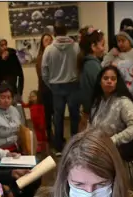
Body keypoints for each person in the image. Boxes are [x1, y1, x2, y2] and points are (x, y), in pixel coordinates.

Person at [42, 21, 80, 154]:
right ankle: (74, 146)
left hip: (56, 86)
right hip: (73, 85)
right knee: (74, 116)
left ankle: (58, 147)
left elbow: (44, 71)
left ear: (54, 33)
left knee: (58, 117)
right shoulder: (76, 47)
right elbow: (81, 65)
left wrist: (50, 85)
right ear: (66, 31)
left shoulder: (49, 49)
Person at [90, 66, 133, 161]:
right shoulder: (98, 101)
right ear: (100, 82)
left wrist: (113, 140)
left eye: (113, 79)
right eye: (106, 78)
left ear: (117, 82)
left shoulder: (123, 102)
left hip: (116, 148)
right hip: (98, 145)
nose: (109, 81)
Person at [102, 29, 133, 108]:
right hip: (119, 94)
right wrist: (111, 54)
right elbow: (104, 66)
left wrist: (120, 67)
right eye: (118, 41)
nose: (120, 43)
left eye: (123, 40)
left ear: (129, 41)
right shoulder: (115, 53)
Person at [78, 27, 106, 126]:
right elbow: (102, 89)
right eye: (102, 45)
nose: (104, 48)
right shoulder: (92, 65)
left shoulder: (89, 63)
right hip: (94, 113)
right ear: (93, 46)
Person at [0, 83, 23, 152]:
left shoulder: (13, 109)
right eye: (2, 97)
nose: (6, 101)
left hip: (16, 148)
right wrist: (10, 139)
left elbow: (21, 129)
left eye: (9, 98)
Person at [0, 37, 24, 102]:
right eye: (2, 45)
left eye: (5, 44)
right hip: (4, 88)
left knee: (17, 107)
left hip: (15, 88)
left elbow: (20, 73)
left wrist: (20, 90)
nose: (5, 47)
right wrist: (2, 61)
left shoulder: (12, 56)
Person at [36, 33, 54, 142]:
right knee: (47, 114)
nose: (49, 42)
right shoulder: (41, 57)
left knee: (56, 114)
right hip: (45, 90)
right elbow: (42, 75)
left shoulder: (55, 55)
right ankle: (49, 135)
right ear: (42, 44)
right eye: (46, 40)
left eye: (51, 40)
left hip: (55, 89)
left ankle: (56, 136)